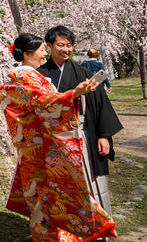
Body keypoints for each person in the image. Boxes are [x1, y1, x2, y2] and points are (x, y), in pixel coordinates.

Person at [0, 33, 116, 242]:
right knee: (44, 198)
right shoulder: (24, 76)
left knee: (51, 195)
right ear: (27, 54)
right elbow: (44, 103)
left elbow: (43, 102)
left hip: (41, 146)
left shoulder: (31, 75)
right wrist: (73, 93)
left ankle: (61, 235)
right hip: (40, 148)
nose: (45, 54)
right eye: (42, 50)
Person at [38, 25, 123, 220]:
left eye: (69, 45)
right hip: (53, 139)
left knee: (91, 181)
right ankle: (65, 228)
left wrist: (104, 136)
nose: (66, 49)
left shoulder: (83, 72)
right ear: (49, 45)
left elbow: (101, 105)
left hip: (84, 134)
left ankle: (98, 229)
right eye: (61, 45)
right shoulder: (39, 75)